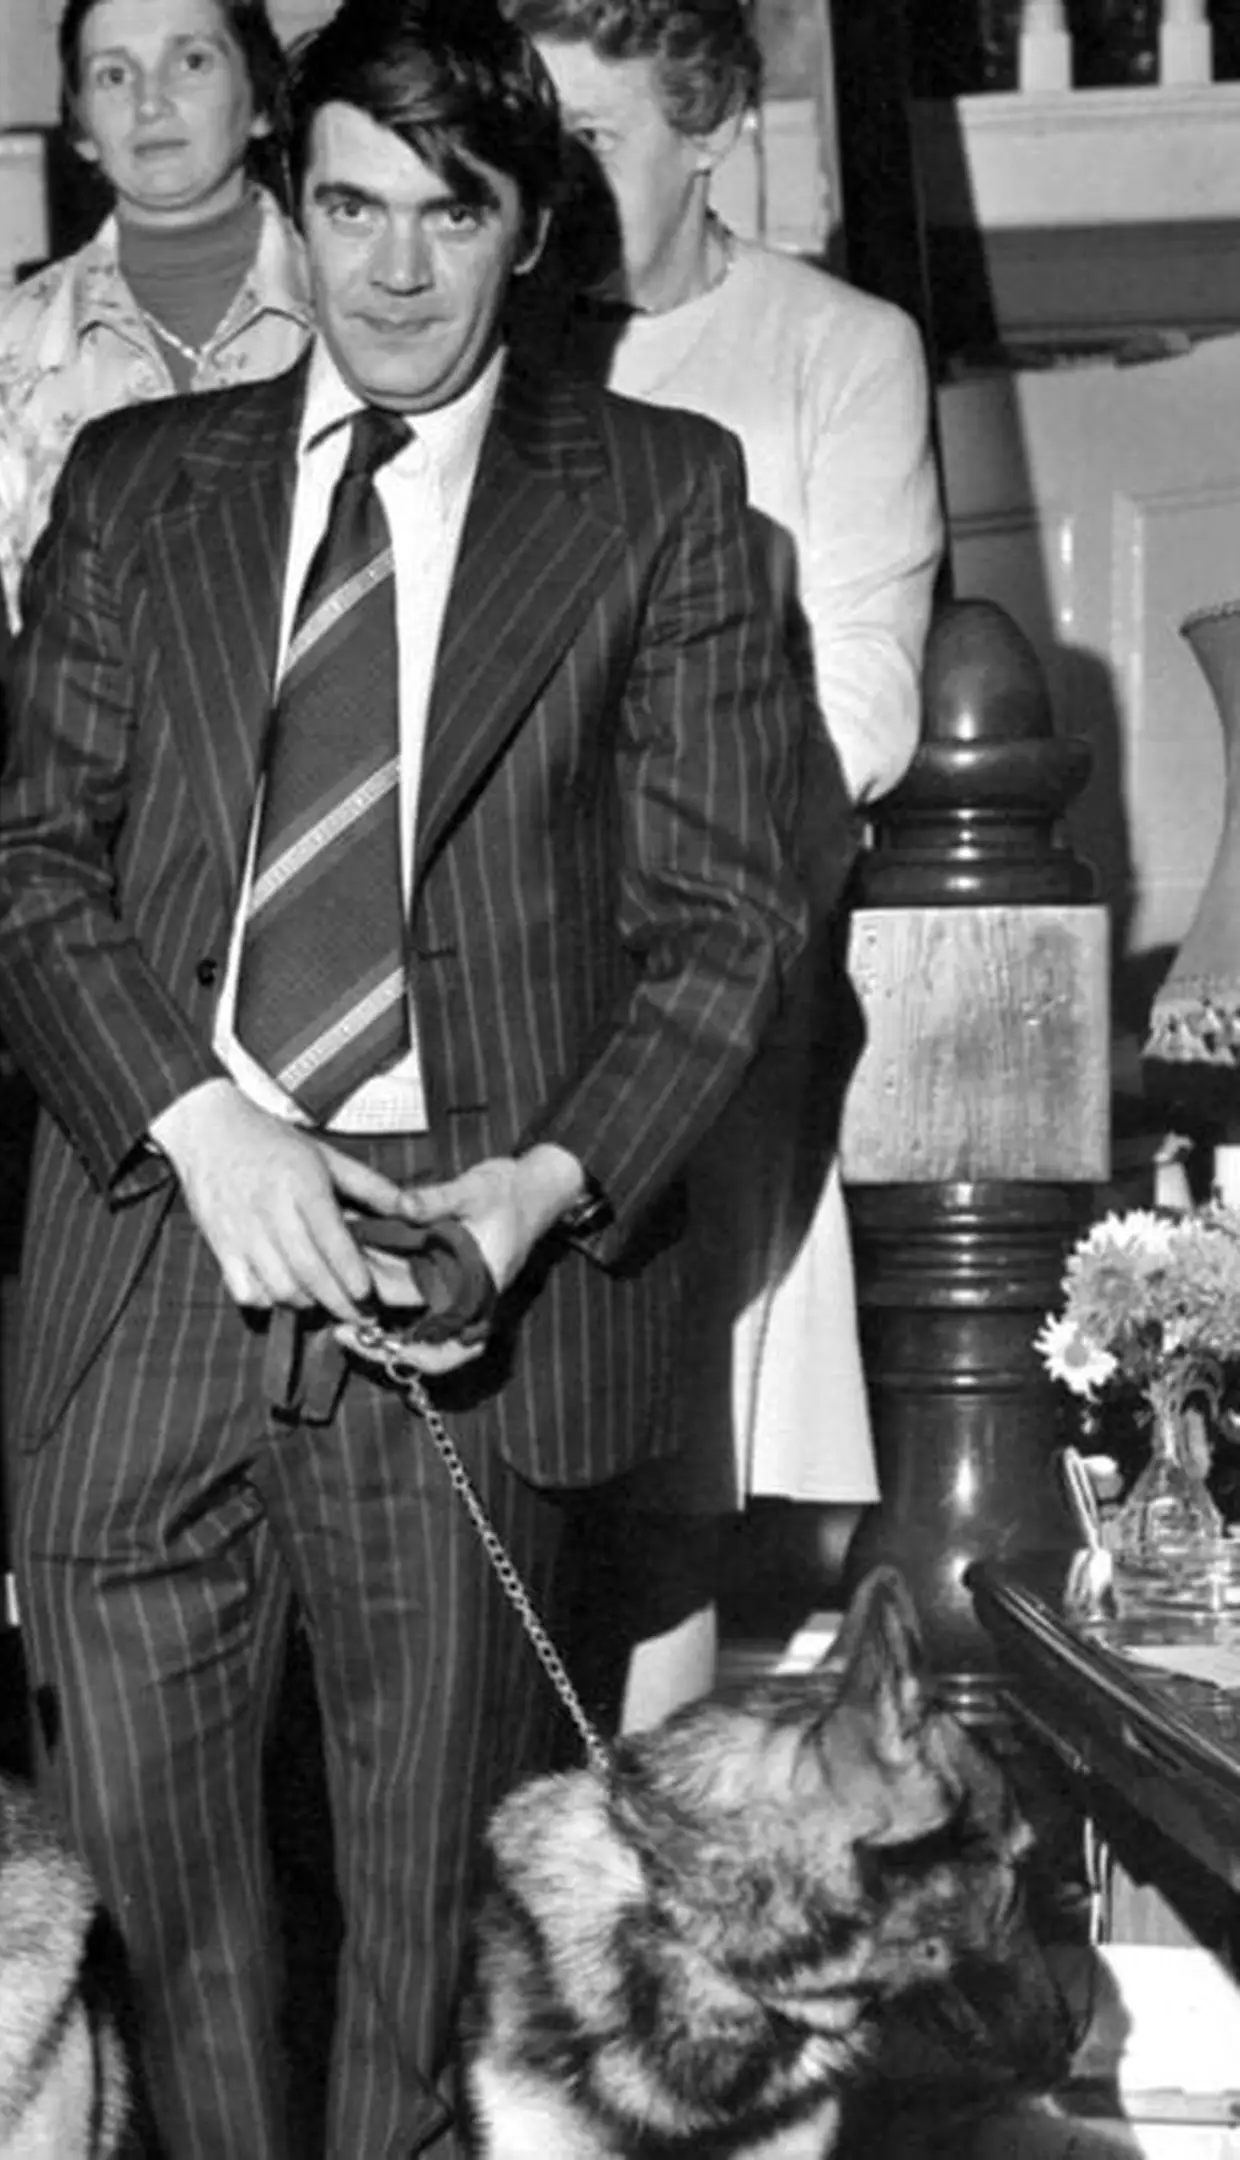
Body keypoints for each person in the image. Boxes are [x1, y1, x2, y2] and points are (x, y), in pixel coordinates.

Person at [0, 0, 808, 2149]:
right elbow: (35, 882)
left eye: (454, 213)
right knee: (146, 1943)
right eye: (350, 209)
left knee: (426, 1942)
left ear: (529, 228)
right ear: (293, 205)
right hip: (153, 1253)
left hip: (456, 1272)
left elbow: (728, 927)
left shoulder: (660, 500)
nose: (397, 268)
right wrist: (208, 1125)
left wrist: (544, 1187)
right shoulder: (138, 485)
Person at [506, 0, 941, 1734]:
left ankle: (654, 1836)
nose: (546, 186)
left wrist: (655, 862)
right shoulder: (491, 334)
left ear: (712, 134)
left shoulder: (838, 347)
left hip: (711, 972)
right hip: (493, 966)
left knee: (671, 1457)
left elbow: (868, 704)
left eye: (590, 141)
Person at [0, 0, 311, 622]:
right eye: (113, 75)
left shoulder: (352, 314)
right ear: (81, 126)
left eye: (191, 62)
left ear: (261, 103)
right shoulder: (2, 345)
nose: (150, 102)